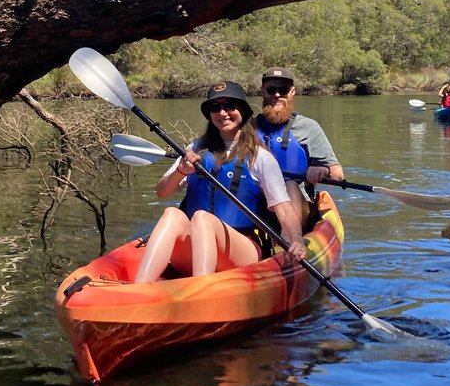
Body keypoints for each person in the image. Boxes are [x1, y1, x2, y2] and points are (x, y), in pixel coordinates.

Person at [135, 80, 306, 284]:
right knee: (172, 214)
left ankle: (200, 291)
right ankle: (139, 288)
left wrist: (296, 237)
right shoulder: (197, 148)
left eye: (229, 106)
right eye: (215, 107)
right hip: (196, 248)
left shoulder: (260, 157)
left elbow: (284, 208)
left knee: (202, 218)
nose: (223, 113)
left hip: (242, 250)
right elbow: (162, 192)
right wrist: (181, 171)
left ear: (242, 110)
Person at [254, 67, 345, 227]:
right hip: (257, 205)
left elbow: (338, 175)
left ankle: (290, 242)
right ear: (263, 91)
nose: (276, 95)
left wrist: (323, 171)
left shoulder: (308, 127)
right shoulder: (248, 127)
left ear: (292, 92)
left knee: (289, 186)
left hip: (297, 207)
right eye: (271, 89)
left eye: (283, 90)